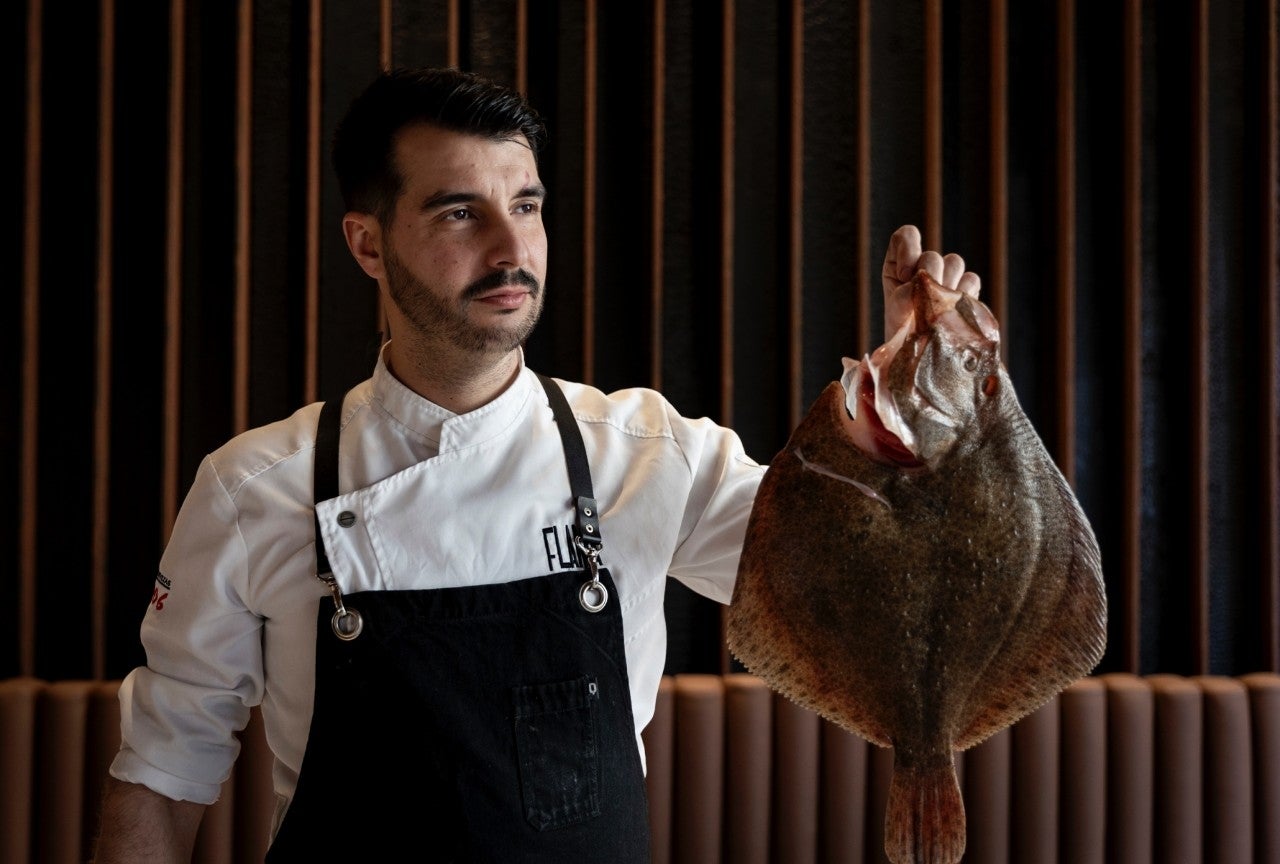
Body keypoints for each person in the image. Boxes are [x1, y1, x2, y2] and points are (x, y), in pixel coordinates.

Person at [93, 66, 980, 862]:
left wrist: (929, 396)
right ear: (367, 243)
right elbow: (163, 773)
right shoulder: (255, 488)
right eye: (458, 212)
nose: (512, 251)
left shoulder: (650, 454)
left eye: (526, 205)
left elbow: (872, 580)